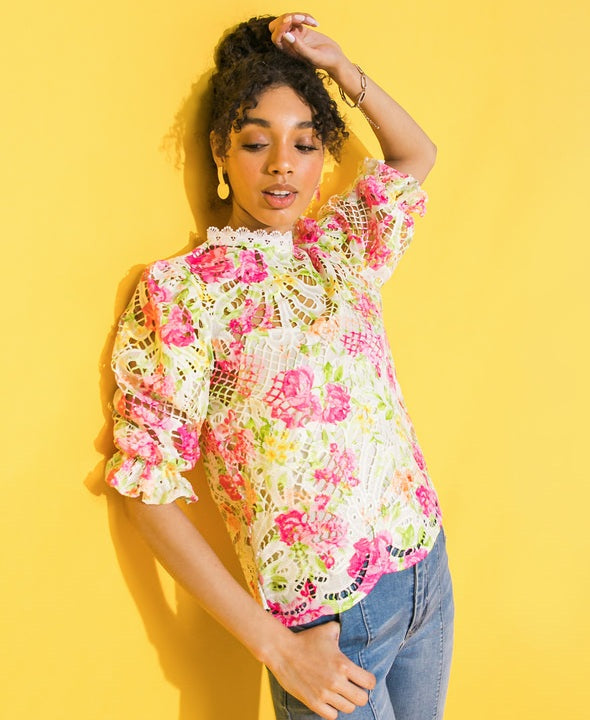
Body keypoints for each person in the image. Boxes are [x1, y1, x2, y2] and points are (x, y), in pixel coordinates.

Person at [105, 12, 454, 720]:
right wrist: (277, 647)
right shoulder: (184, 292)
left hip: (425, 570)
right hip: (326, 626)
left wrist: (341, 69)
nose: (282, 165)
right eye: (256, 141)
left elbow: (415, 154)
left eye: (305, 143)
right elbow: (146, 487)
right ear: (220, 150)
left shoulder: (339, 249)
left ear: (323, 156)